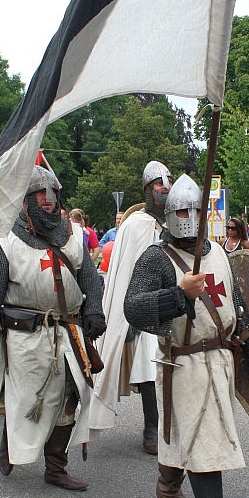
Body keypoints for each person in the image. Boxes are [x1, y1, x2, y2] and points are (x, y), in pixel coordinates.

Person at [124, 174, 249, 498]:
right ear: (169, 214)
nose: (189, 218)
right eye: (182, 211)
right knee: (205, 439)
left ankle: (167, 483)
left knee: (188, 431)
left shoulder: (219, 254)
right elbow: (134, 309)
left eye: (195, 210)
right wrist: (179, 294)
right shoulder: (156, 258)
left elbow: (238, 312)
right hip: (183, 361)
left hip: (220, 361)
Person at [0, 166, 105, 489]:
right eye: (39, 195)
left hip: (68, 333)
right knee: (28, 399)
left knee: (69, 398)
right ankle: (11, 442)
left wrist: (94, 311)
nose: (47, 200)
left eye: (52, 194)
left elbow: (90, 277)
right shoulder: (5, 240)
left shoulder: (71, 235)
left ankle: (56, 467)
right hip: (25, 338)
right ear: (25, 200)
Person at [90, 161, 172, 456]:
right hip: (143, 305)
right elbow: (123, 272)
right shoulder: (134, 225)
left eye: (167, 184)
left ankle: (170, 424)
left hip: (173, 303)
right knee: (148, 362)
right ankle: (152, 426)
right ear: (149, 190)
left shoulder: (177, 222)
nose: (165, 189)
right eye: (160, 185)